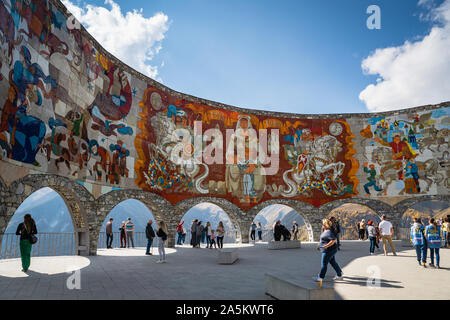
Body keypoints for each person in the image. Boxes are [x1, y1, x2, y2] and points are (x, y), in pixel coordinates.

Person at [313, 219, 343, 285]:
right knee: (333, 262)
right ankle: (339, 275)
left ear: (325, 225)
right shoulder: (326, 230)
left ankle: (320, 277)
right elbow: (324, 238)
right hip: (331, 249)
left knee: (324, 264)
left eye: (323, 224)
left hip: (328, 250)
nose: (322, 225)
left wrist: (326, 246)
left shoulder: (329, 231)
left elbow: (333, 240)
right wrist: (320, 243)